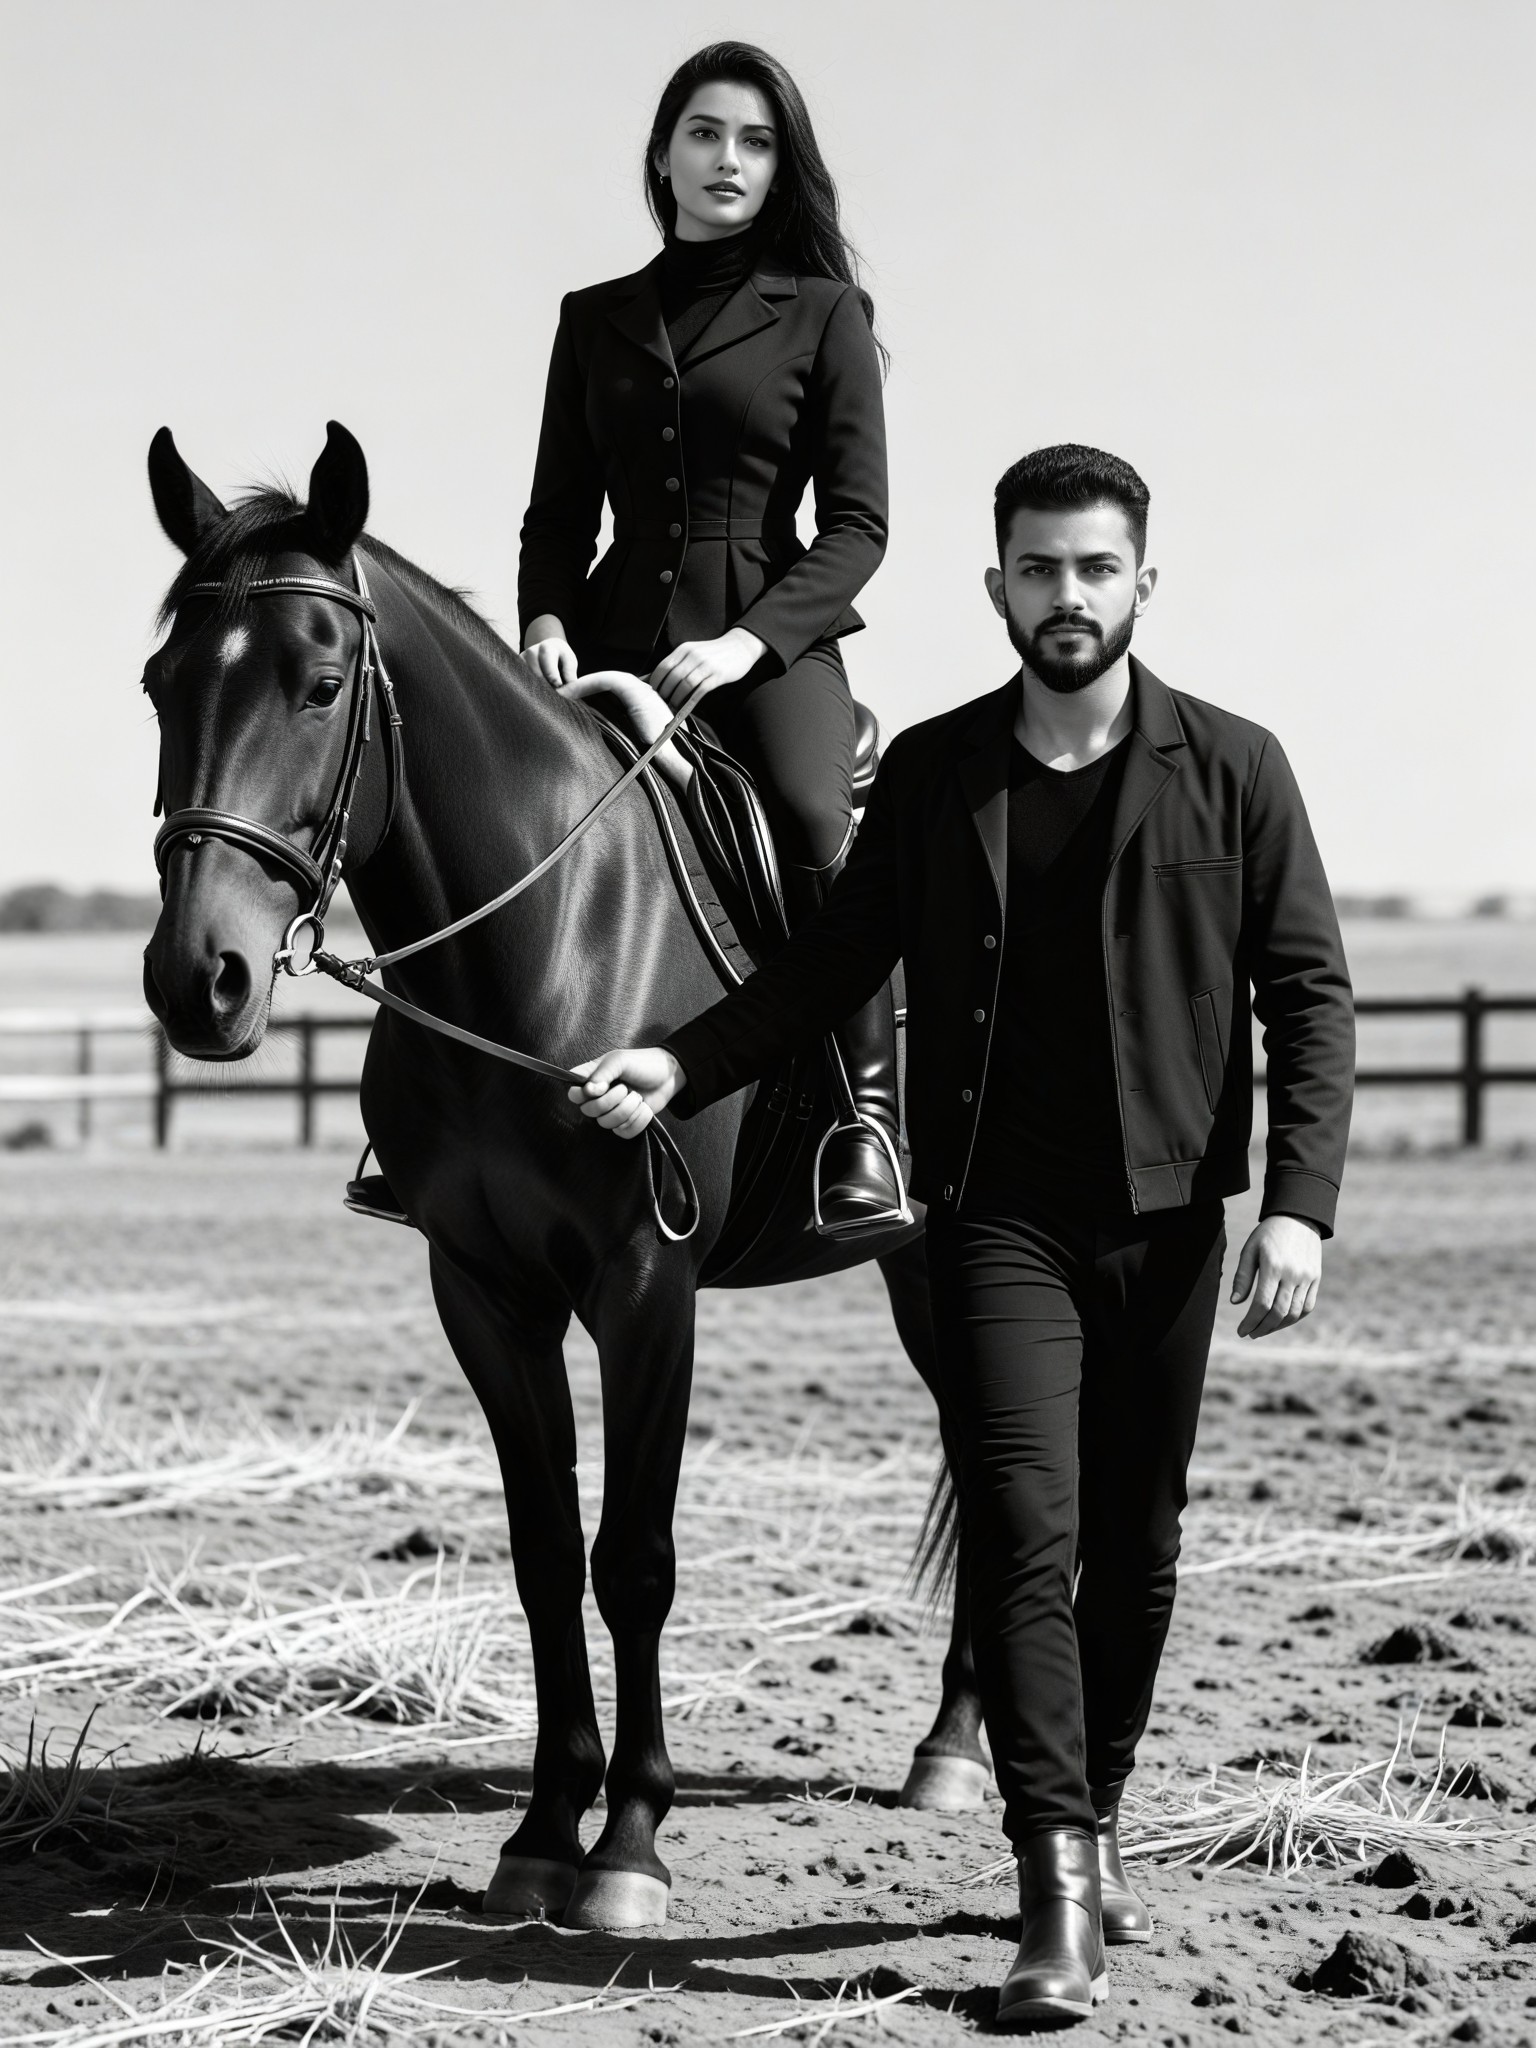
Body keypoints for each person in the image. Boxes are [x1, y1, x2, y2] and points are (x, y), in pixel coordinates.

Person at [566, 445, 1355, 2027]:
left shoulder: (1240, 768)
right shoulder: (932, 774)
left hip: (1168, 1227)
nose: (1068, 596)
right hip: (990, 1213)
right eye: (1040, 569)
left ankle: (1100, 1807)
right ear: (995, 586)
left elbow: (1309, 996)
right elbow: (823, 972)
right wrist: (679, 1062)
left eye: (1096, 568)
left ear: (1144, 583)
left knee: (1136, 1557)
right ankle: (1054, 1880)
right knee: (1022, 1533)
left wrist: (1301, 1209)